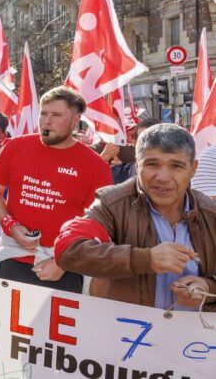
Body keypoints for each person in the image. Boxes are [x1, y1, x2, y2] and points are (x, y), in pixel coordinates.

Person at [56, 124, 216, 311]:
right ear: (137, 164)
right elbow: (68, 248)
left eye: (176, 166)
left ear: (193, 169)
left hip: (194, 338)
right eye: (152, 164)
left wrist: (208, 287)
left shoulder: (211, 213)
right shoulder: (112, 204)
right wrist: (144, 259)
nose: (163, 177)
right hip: (124, 334)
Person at [0, 86, 113, 293]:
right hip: (13, 256)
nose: (46, 121)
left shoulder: (96, 166)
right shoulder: (16, 147)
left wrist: (63, 263)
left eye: (57, 115)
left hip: (64, 267)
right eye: (43, 113)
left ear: (75, 118)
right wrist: (11, 225)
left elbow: (101, 224)